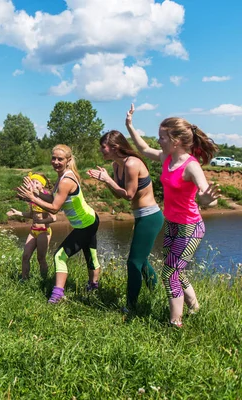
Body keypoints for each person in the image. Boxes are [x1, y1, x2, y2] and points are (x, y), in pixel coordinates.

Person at [125, 104, 219, 327]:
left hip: (190, 227)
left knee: (169, 273)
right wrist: (129, 126)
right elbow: (144, 148)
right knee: (176, 269)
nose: (159, 141)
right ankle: (195, 307)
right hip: (173, 224)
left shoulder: (191, 166)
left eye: (162, 137)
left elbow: (208, 197)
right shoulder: (167, 157)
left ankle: (175, 323)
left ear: (175, 140)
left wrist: (207, 199)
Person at [87, 130, 164, 312]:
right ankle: (156, 292)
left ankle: (131, 306)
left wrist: (107, 180)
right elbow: (118, 194)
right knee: (142, 260)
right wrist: (107, 181)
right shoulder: (116, 165)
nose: (101, 150)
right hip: (140, 216)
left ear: (115, 147)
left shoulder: (132, 163)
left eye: (103, 147)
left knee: (133, 262)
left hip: (150, 216)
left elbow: (129, 195)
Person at [16, 145, 101, 304]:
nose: (55, 162)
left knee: (59, 256)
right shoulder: (62, 176)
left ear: (68, 160)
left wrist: (33, 198)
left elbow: (55, 208)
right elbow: (51, 199)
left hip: (86, 223)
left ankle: (57, 295)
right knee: (90, 254)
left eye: (60, 159)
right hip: (89, 220)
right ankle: (93, 287)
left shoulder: (66, 180)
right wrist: (34, 193)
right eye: (53, 158)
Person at [6, 172, 56, 281]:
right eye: (32, 182)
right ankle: (24, 280)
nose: (34, 184)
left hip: (44, 231)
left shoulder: (46, 197)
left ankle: (45, 281)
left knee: (41, 258)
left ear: (42, 185)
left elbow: (54, 218)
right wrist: (17, 213)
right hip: (33, 231)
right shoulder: (32, 198)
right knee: (25, 256)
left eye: (36, 182)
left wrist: (43, 220)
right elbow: (31, 215)